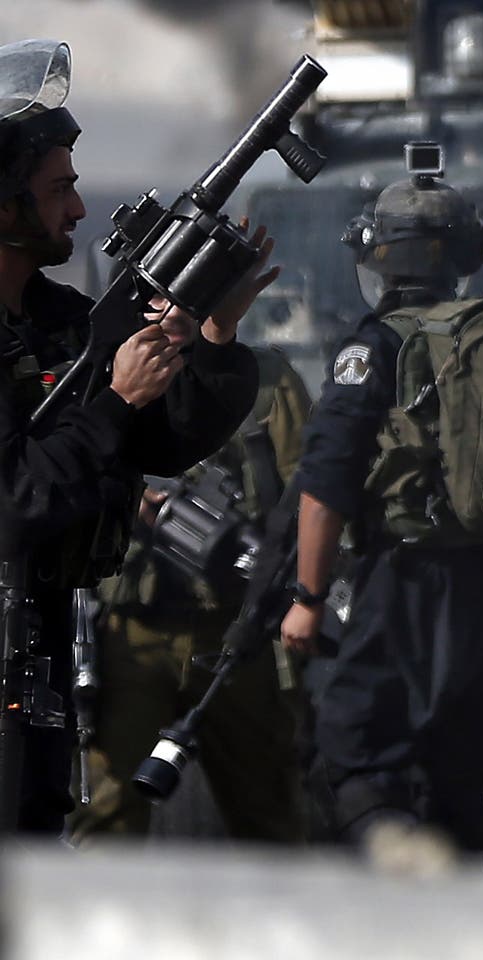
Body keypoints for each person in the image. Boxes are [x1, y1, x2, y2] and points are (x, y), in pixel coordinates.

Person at [279, 147, 483, 864]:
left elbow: (326, 482)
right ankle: (450, 900)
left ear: (379, 257)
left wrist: (307, 597)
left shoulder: (374, 347)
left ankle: (404, 873)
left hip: (406, 582)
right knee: (459, 768)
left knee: (355, 757)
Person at [0, 39, 270, 835]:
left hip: (36, 641)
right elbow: (13, 500)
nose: (79, 211)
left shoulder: (56, 322)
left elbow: (161, 443)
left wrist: (213, 340)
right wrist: (115, 401)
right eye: (58, 190)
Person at [67, 347, 312, 845]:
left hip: (233, 629)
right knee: (108, 811)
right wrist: (126, 496)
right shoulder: (112, 363)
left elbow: (308, 492)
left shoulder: (266, 380)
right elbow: (65, 463)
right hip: (133, 626)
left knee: (268, 810)